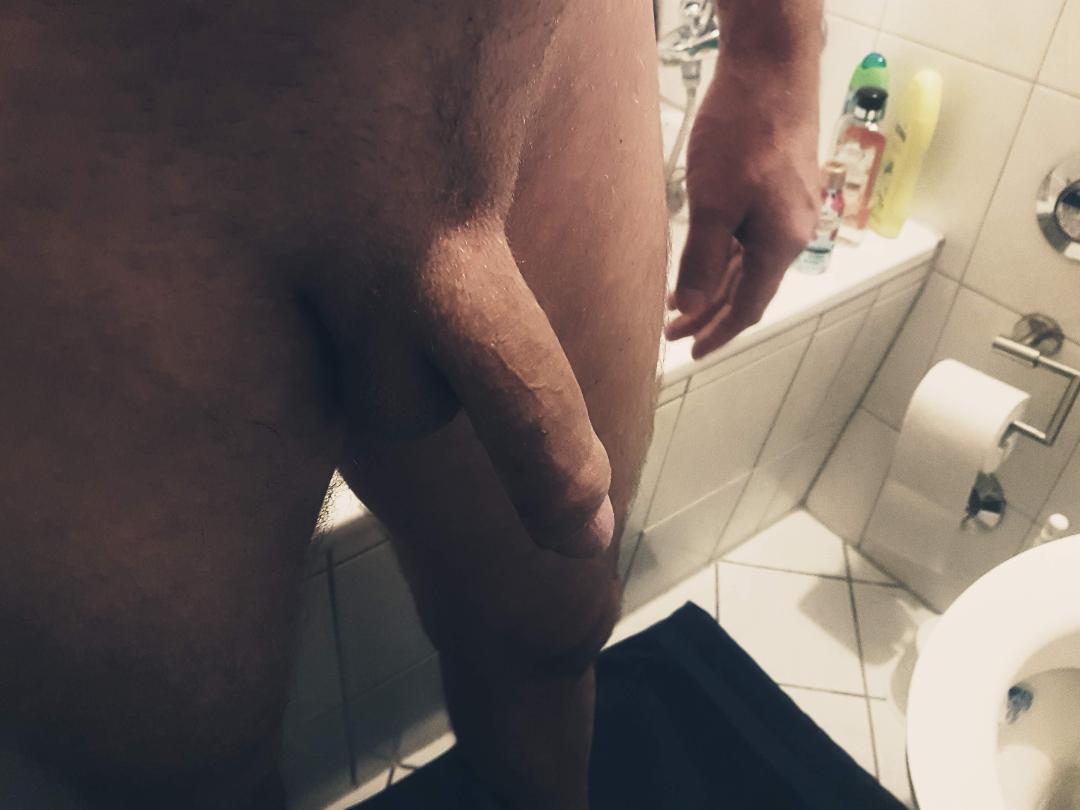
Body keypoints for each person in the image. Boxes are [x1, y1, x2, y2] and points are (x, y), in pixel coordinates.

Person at [0, 1, 820, 808]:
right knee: (175, 777)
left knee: (554, 635)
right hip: (56, 107)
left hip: (538, 50)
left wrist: (772, 52)